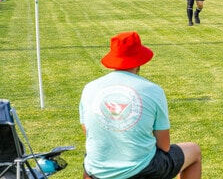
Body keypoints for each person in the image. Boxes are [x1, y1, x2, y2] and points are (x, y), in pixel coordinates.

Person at [80, 31, 202, 179]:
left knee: (90, 157)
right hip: (142, 170)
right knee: (194, 151)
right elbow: (164, 146)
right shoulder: (153, 90)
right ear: (139, 60)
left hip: (97, 170)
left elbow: (91, 134)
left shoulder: (89, 88)